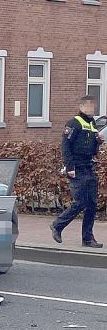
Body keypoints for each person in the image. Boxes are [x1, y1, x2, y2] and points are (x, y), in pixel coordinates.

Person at [51, 95, 103, 248]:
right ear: (81, 107)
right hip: (77, 168)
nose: (91, 109)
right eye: (88, 106)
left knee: (92, 204)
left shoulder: (92, 123)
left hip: (89, 167)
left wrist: (97, 142)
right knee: (80, 203)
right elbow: (65, 146)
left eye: (93, 106)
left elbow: (92, 147)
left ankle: (88, 238)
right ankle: (57, 225)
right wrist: (70, 167)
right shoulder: (74, 122)